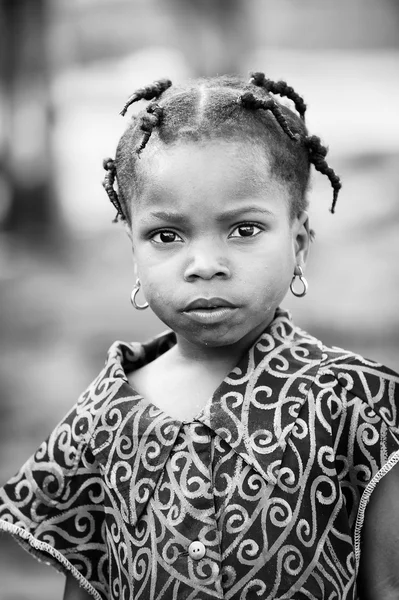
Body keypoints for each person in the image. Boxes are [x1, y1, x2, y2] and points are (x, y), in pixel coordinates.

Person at [0, 72, 398, 600]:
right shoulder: (101, 416)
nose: (205, 264)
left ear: (299, 242)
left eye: (244, 230)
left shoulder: (358, 402)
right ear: (133, 250)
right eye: (167, 236)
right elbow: (87, 587)